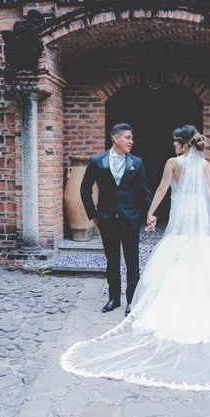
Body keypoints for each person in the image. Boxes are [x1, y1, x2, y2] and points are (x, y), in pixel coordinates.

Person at [64, 125, 210, 392]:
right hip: (189, 221)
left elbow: (158, 190)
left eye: (174, 142)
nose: (171, 146)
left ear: (182, 143)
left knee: (153, 260)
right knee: (187, 257)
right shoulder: (203, 165)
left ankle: (138, 303)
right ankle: (121, 298)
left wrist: (149, 213)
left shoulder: (168, 163)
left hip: (168, 220)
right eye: (128, 137)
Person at [80, 123, 153, 317]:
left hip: (130, 219)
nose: (131, 141)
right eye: (128, 137)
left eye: (131, 138)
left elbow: (144, 192)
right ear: (115, 138)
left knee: (132, 262)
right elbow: (85, 189)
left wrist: (149, 214)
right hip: (107, 219)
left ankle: (131, 301)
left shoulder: (137, 163)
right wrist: (93, 214)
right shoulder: (97, 161)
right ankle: (114, 299)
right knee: (111, 260)